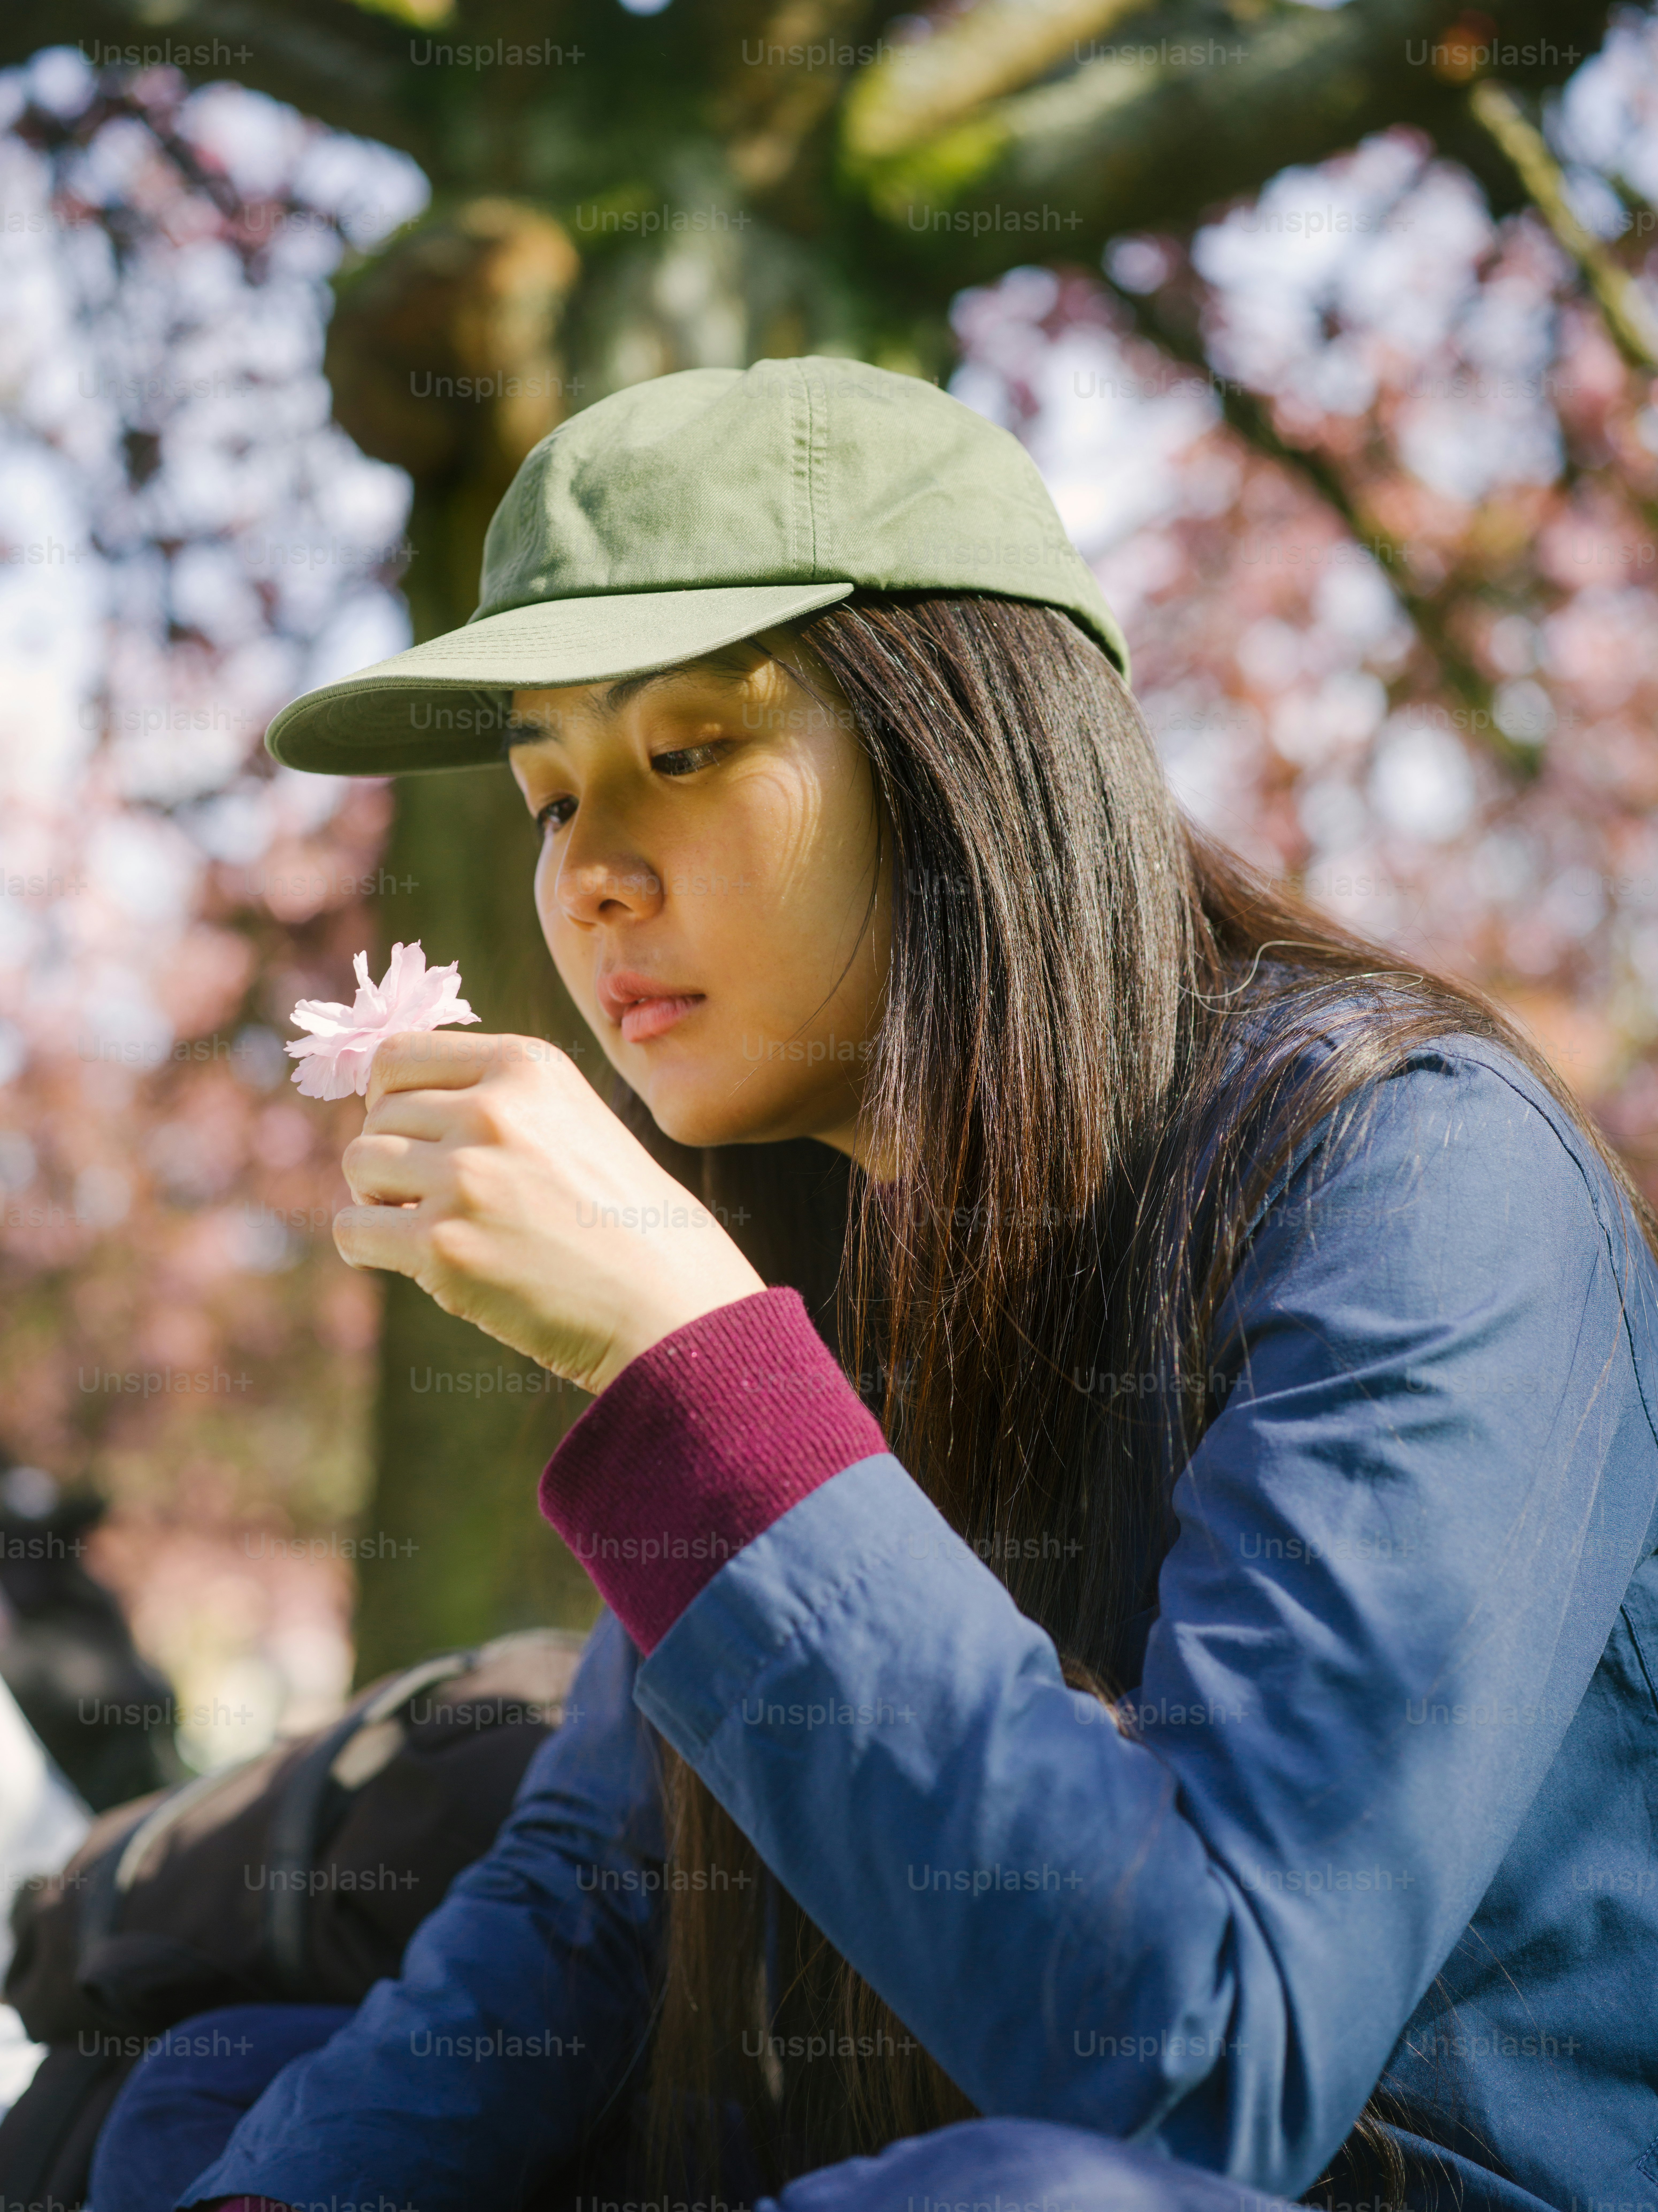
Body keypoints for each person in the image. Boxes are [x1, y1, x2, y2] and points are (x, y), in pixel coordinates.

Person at [91, 358, 1658, 2212]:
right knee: (224, 2103)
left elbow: (1210, 2064)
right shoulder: (808, 1237)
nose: (587, 872)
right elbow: (598, 1903)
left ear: (955, 759)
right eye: (545, 790)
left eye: (683, 751)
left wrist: (692, 1359)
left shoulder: (1408, 1174)